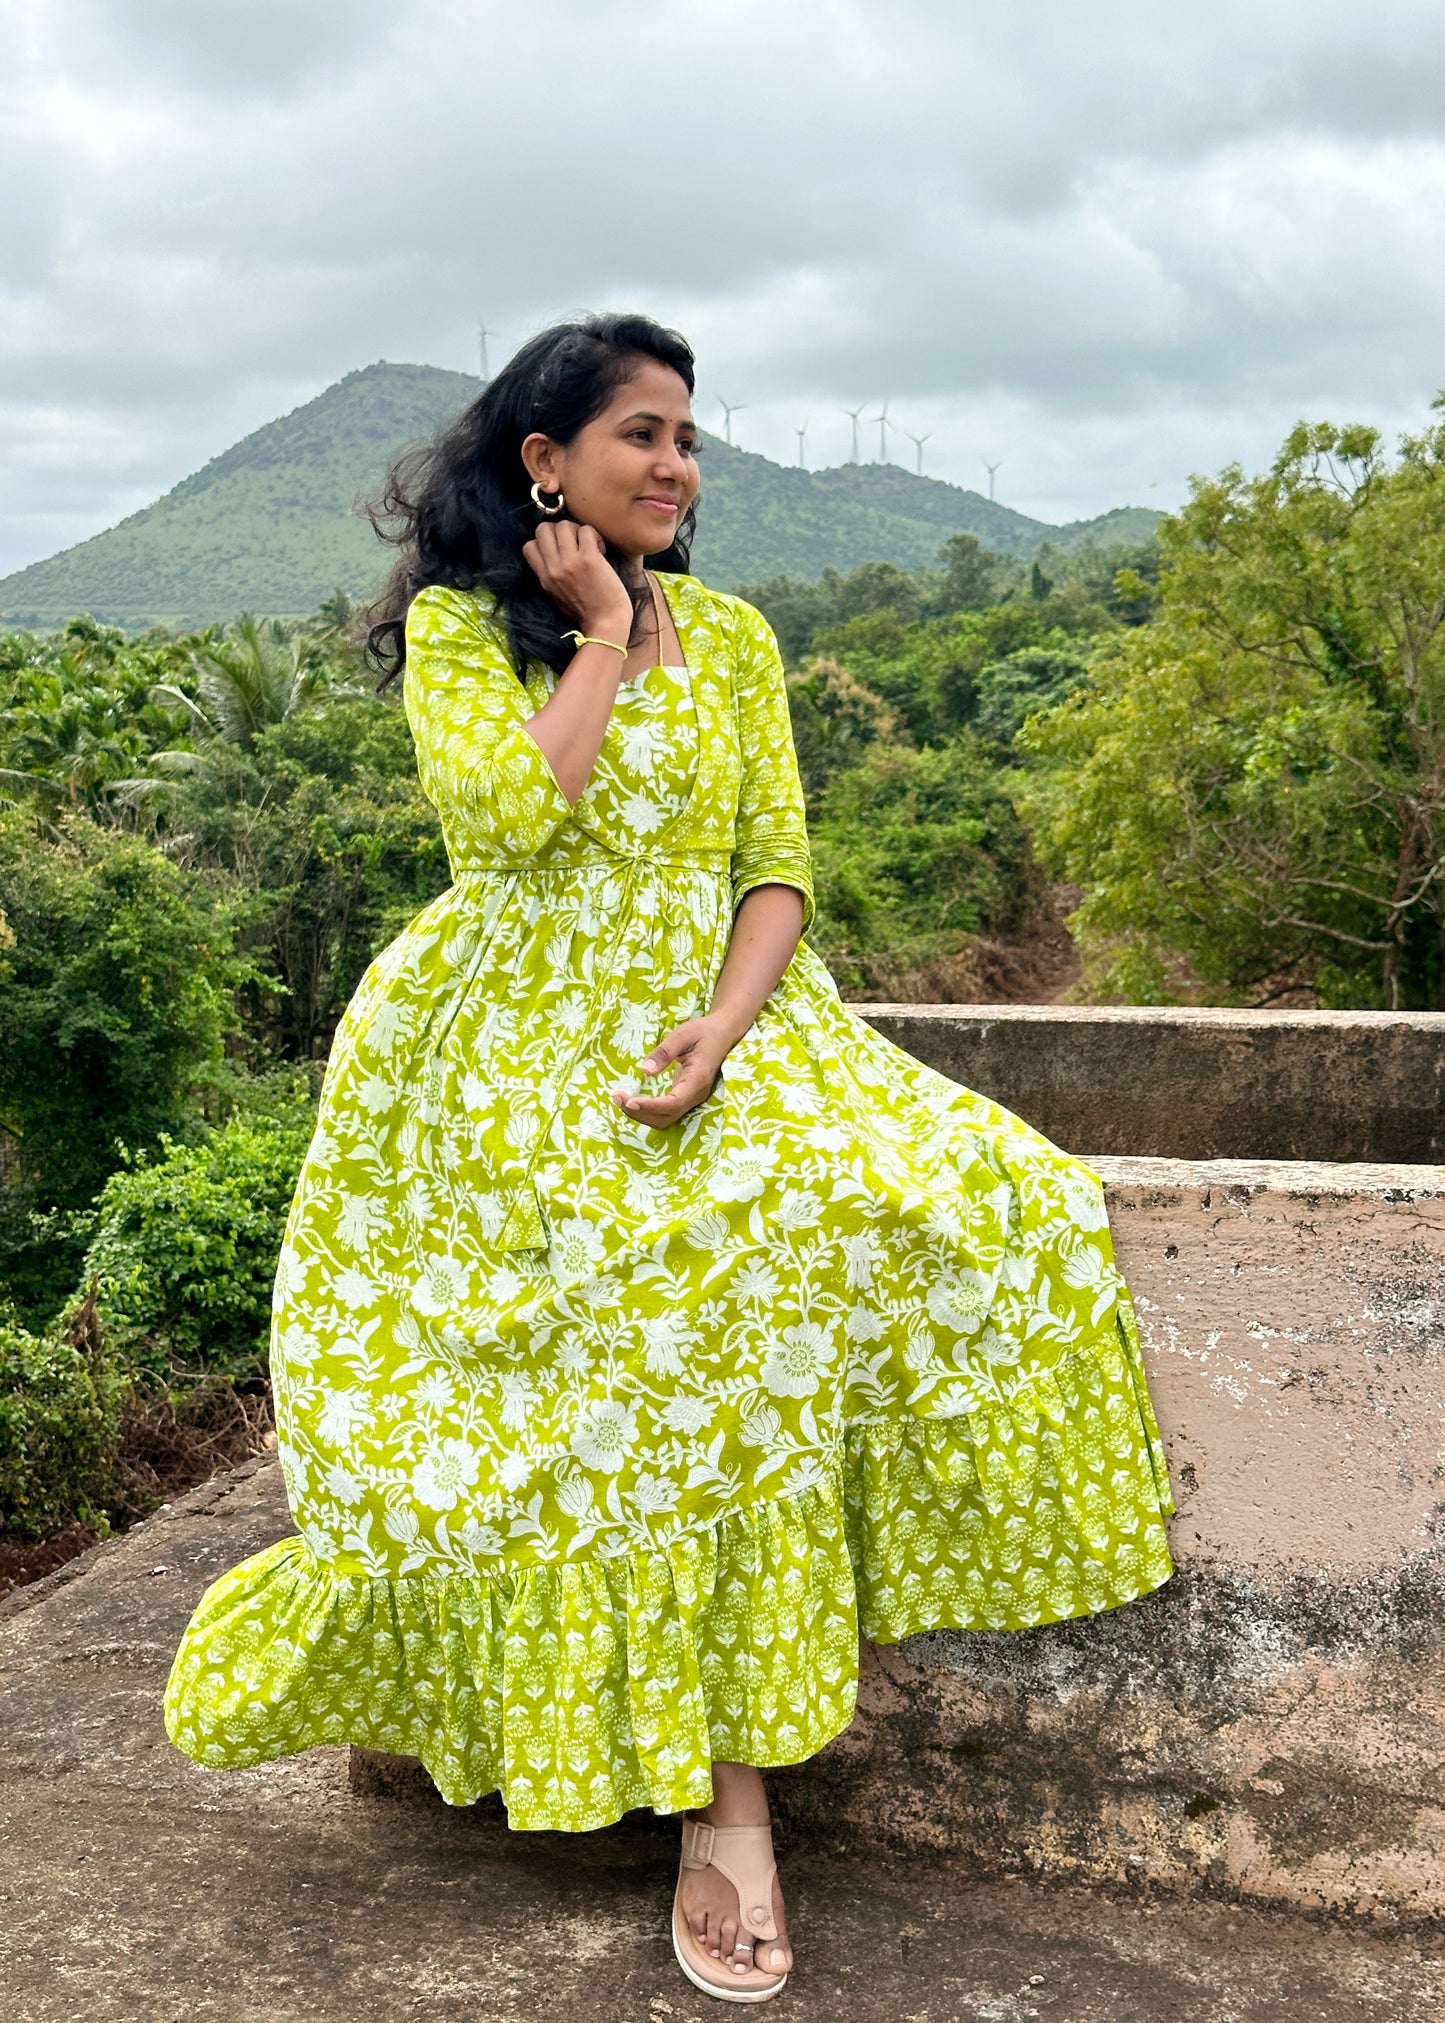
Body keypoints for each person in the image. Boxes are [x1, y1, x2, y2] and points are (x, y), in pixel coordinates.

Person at [164, 312, 1174, 2005]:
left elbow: (772, 864)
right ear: (542, 461)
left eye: (688, 436)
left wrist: (720, 1026)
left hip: (718, 1020)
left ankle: (728, 1776)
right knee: (649, 1314)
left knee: (995, 1201)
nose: (676, 465)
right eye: (642, 432)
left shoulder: (747, 638)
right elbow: (502, 825)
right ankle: (731, 1811)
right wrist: (604, 635)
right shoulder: (460, 631)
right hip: (497, 1046)